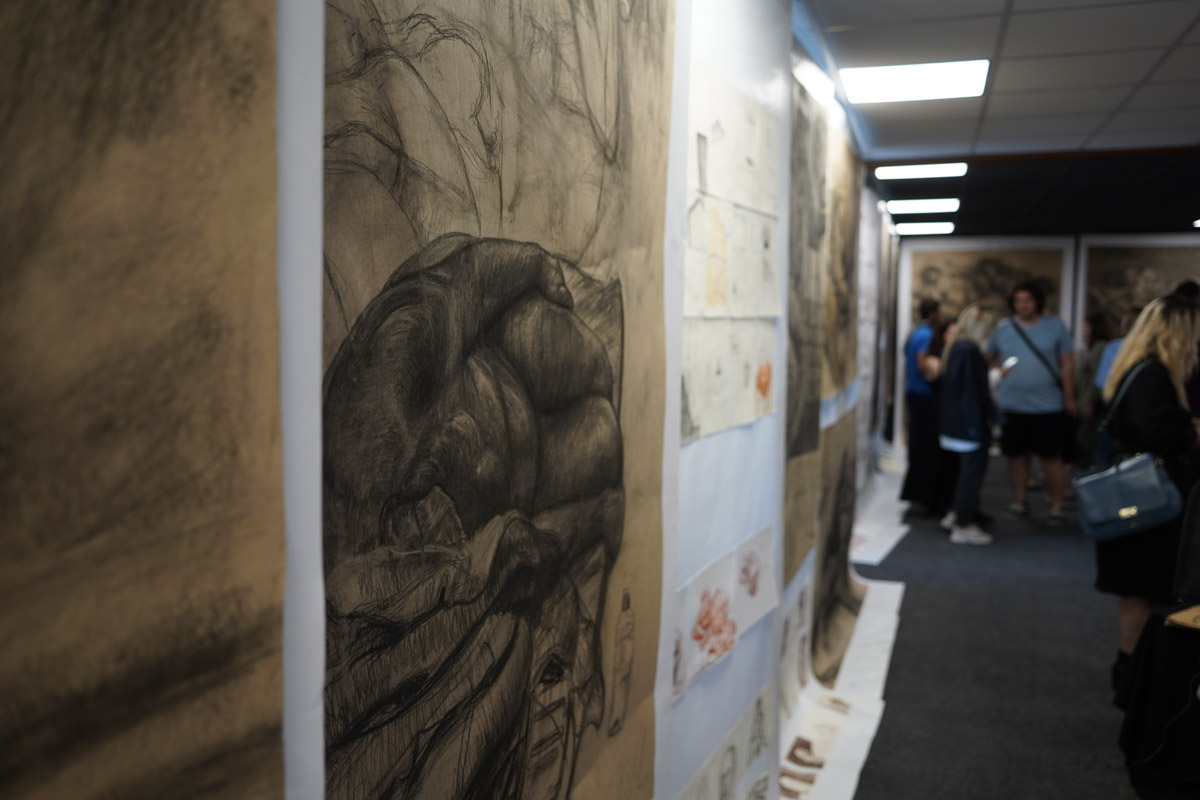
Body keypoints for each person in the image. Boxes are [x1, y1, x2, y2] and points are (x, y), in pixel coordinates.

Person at [1095, 294, 1200, 699]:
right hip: (1149, 503)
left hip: (1139, 502)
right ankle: (1134, 685)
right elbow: (1152, 432)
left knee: (1138, 591)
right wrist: (1189, 433)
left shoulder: (1139, 368)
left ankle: (1134, 681)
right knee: (1143, 591)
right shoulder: (1154, 375)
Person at [986, 280, 1076, 524]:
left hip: (1048, 405)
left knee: (1051, 457)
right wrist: (996, 372)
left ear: (1037, 302)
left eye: (1027, 300)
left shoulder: (1055, 327)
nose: (1023, 305)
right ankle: (1020, 500)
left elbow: (1067, 363)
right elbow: (986, 355)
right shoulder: (1004, 328)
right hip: (1012, 404)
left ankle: (1056, 505)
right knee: (1016, 456)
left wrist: (1069, 397)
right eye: (1018, 301)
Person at [938, 305, 1000, 545]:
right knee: (970, 475)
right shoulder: (970, 350)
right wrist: (978, 427)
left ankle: (957, 514)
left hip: (955, 423)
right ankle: (962, 525)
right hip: (969, 425)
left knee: (962, 473)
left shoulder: (955, 346)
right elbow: (973, 393)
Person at [900, 299, 943, 513]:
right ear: (933, 313)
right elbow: (922, 363)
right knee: (922, 442)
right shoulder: (926, 334)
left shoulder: (915, 331)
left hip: (913, 390)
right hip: (922, 393)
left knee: (917, 438)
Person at [1076, 313, 1112, 468]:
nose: (1084, 331)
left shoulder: (1099, 348)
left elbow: (1097, 378)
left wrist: (1090, 401)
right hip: (1088, 403)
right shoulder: (1092, 348)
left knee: (1091, 446)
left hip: (1092, 405)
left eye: (1086, 327)